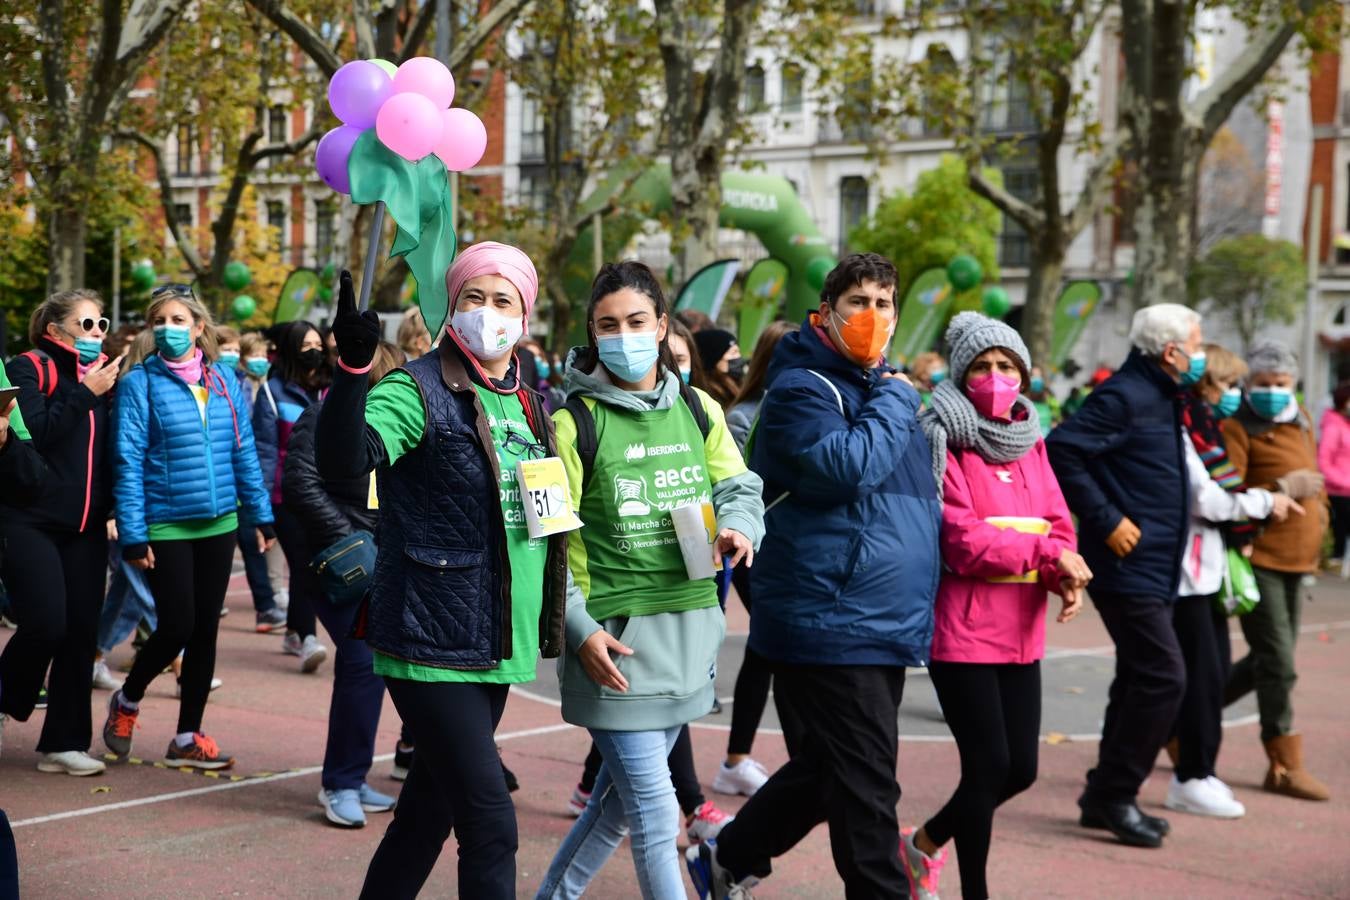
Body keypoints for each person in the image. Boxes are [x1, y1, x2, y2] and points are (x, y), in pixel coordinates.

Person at [318, 241, 569, 900]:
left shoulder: (533, 403)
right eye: (472, 299)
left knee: (425, 817)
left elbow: (550, 519)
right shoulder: (416, 388)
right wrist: (350, 369)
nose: (488, 312)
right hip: (431, 641)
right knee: (491, 825)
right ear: (451, 308)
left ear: (526, 315)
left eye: (503, 300)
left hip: (497, 640)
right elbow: (347, 466)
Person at [687, 253, 941, 899]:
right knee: (867, 795)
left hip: (881, 616)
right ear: (825, 313)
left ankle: (729, 854)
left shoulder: (878, 389)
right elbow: (847, 468)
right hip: (830, 615)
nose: (873, 315)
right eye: (859, 301)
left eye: (885, 303)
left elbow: (908, 505)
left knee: (834, 772)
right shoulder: (805, 387)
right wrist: (894, 395)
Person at [536, 260, 763, 900]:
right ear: (591, 332)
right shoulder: (567, 422)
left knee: (615, 807)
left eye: (637, 321)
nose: (624, 335)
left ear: (663, 326)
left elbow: (739, 484)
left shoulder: (699, 408)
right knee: (659, 816)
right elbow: (546, 541)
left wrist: (741, 526)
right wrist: (578, 630)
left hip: (688, 637)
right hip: (613, 647)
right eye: (607, 325)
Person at [899, 313, 1088, 900]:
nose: (995, 376)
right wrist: (1045, 552)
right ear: (961, 375)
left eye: (1007, 365)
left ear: (1024, 376)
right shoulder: (940, 439)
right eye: (982, 366)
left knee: (1021, 771)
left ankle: (922, 843)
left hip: (1023, 631)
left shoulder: (1032, 443)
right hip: (963, 631)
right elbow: (960, 538)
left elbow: (1058, 523)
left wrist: (1064, 569)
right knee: (986, 769)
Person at [1046, 303, 1202, 848]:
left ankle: (1100, 797)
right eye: (1197, 343)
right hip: (1127, 565)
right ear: (1171, 350)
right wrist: (1107, 518)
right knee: (1164, 677)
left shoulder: (1161, 394)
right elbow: (1062, 451)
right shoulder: (1125, 396)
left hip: (1154, 565)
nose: (1200, 354)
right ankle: (1116, 795)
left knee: (1140, 676)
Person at [103, 286, 275, 770]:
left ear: (199, 327)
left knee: (204, 632)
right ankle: (129, 699)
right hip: (167, 524)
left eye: (178, 319)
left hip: (220, 521)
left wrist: (261, 513)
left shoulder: (224, 380)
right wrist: (134, 532)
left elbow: (243, 451)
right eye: (159, 320)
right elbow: (128, 459)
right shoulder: (141, 382)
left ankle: (187, 736)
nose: (167, 329)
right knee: (177, 623)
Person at [1165, 343, 1304, 819]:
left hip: (1267, 562)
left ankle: (1193, 763)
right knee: (1222, 669)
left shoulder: (1211, 425)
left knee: (1214, 669)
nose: (1236, 395)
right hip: (1211, 565)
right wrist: (1271, 501)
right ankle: (1191, 767)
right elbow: (1217, 497)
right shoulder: (1202, 426)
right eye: (1230, 385)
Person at [283, 340, 406, 828]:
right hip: (340, 562)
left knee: (372, 668)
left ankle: (352, 776)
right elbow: (300, 483)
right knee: (360, 663)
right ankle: (339, 783)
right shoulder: (323, 415)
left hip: (380, 559)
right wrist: (353, 540)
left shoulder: (387, 425)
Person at [0, 290, 121, 777]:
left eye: (101, 325)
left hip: (87, 525)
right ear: (55, 331)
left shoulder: (109, 378)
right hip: (28, 518)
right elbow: (39, 431)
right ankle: (6, 696)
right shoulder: (28, 367)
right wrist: (84, 392)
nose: (96, 334)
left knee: (79, 633)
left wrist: (113, 509)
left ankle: (65, 742)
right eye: (86, 324)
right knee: (46, 622)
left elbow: (115, 449)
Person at [1221, 341, 1331, 801]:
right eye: (1262, 384)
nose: (1272, 392)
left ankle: (1179, 720)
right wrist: (1283, 487)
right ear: (1248, 385)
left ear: (1293, 385)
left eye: (1280, 384)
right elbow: (1231, 491)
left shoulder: (1301, 419)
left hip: (1297, 560)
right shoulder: (1237, 425)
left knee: (1266, 660)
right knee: (1280, 664)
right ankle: (1283, 764)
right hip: (1259, 559)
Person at [716, 319, 800, 796]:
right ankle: (735, 759)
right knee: (768, 648)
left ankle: (742, 759)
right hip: (756, 546)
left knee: (771, 652)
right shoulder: (745, 414)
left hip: (786, 549)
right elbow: (743, 487)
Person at [254, 320, 331, 670]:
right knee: (303, 563)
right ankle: (308, 637)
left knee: (312, 563)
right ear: (289, 350)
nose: (313, 350)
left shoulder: (333, 388)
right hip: (285, 496)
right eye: (304, 345)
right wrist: (262, 507)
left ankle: (295, 633)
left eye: (317, 343)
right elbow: (265, 451)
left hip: (327, 492)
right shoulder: (271, 392)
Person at [1317, 381, 1350, 563]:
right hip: (1338, 490)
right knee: (1339, 527)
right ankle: (1336, 558)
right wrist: (1343, 482)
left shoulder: (1346, 425)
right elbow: (1323, 461)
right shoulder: (1333, 426)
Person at [692, 328, 745, 408]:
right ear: (713, 360)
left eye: (738, 352)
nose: (739, 357)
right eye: (733, 353)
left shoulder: (739, 386)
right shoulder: (710, 400)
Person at [1027, 365, 1061, 437]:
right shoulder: (1022, 395)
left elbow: (1056, 414)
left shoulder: (1049, 396)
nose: (1035, 378)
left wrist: (1054, 421)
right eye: (1033, 375)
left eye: (1038, 375)